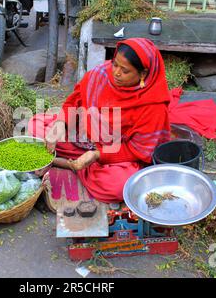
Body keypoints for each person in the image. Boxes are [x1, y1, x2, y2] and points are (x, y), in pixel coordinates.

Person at [29, 38, 171, 203]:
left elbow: (135, 150)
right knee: (36, 124)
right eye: (115, 64)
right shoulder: (100, 75)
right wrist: (61, 123)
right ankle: (75, 164)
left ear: (143, 73)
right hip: (85, 138)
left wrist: (97, 155)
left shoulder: (153, 106)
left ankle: (66, 164)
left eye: (125, 71)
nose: (116, 73)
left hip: (116, 154)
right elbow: (74, 101)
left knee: (118, 186)